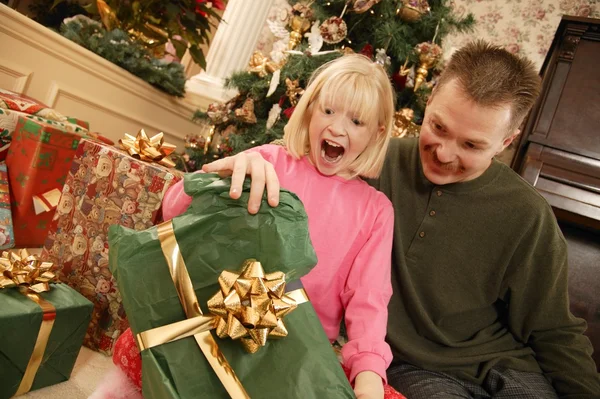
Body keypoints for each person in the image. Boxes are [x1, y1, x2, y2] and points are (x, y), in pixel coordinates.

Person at [210, 41, 600, 398]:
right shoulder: (370, 164)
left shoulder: (527, 214)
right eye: (438, 127)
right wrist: (249, 163)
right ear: (429, 101)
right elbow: (307, 167)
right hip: (418, 369)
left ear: (506, 142)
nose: (444, 154)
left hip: (511, 365)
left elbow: (555, 331)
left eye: (471, 145)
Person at [97, 54, 402, 399]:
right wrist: (222, 173)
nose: (337, 128)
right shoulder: (268, 161)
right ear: (312, 107)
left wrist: (369, 373)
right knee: (138, 349)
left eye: (357, 121)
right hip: (223, 323)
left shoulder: (376, 211)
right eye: (328, 111)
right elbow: (174, 209)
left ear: (377, 133)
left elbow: (370, 300)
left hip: (298, 353)